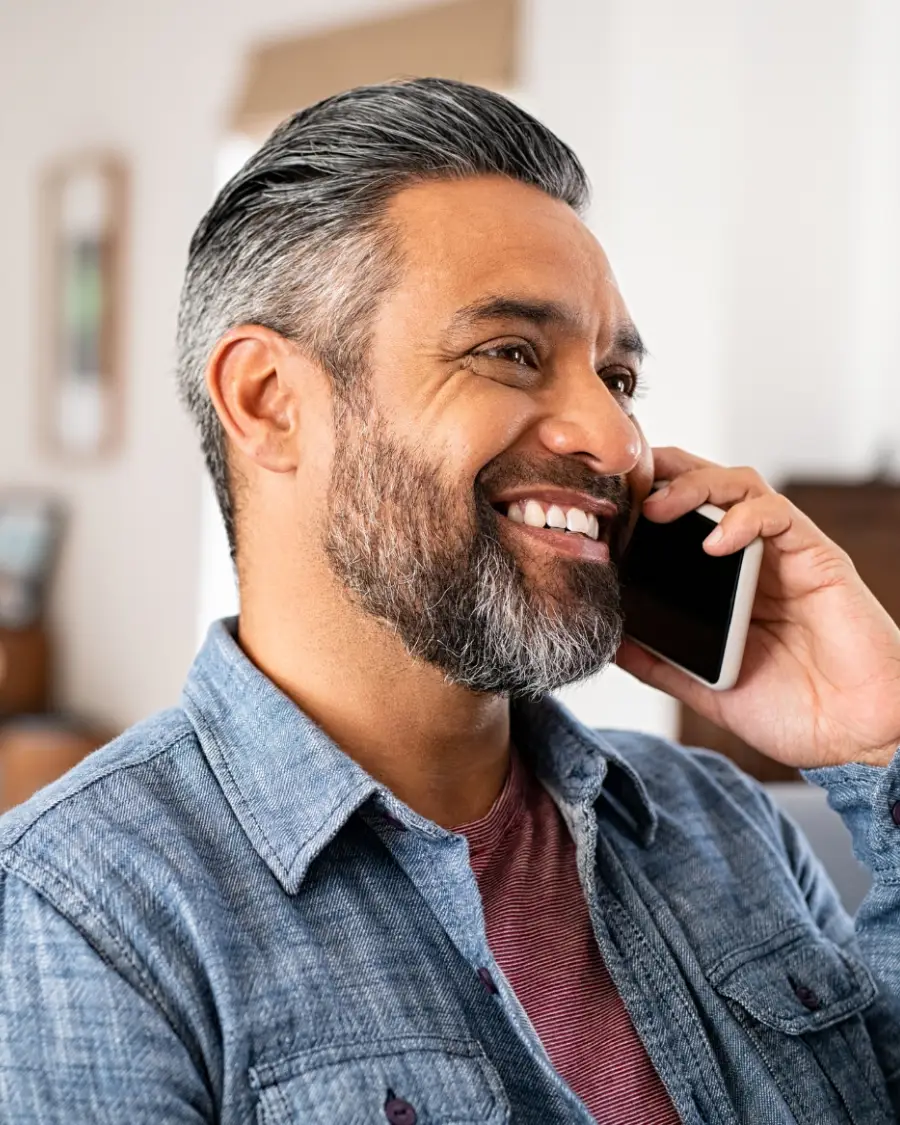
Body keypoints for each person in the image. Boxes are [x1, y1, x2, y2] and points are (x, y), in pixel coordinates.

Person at [1, 78, 899, 1125]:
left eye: (616, 379)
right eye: (512, 353)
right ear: (269, 401)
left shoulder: (720, 825)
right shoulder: (83, 915)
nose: (615, 444)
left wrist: (881, 740)